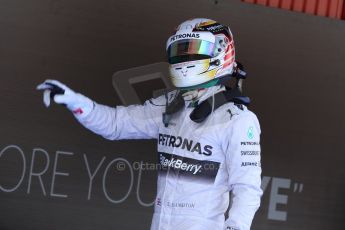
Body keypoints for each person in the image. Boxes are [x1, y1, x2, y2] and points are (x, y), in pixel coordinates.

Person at [37, 18, 262, 230]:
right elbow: (115, 124)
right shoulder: (170, 104)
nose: (185, 58)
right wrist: (75, 101)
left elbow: (247, 190)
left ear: (221, 51)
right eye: (180, 51)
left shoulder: (238, 119)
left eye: (193, 49)